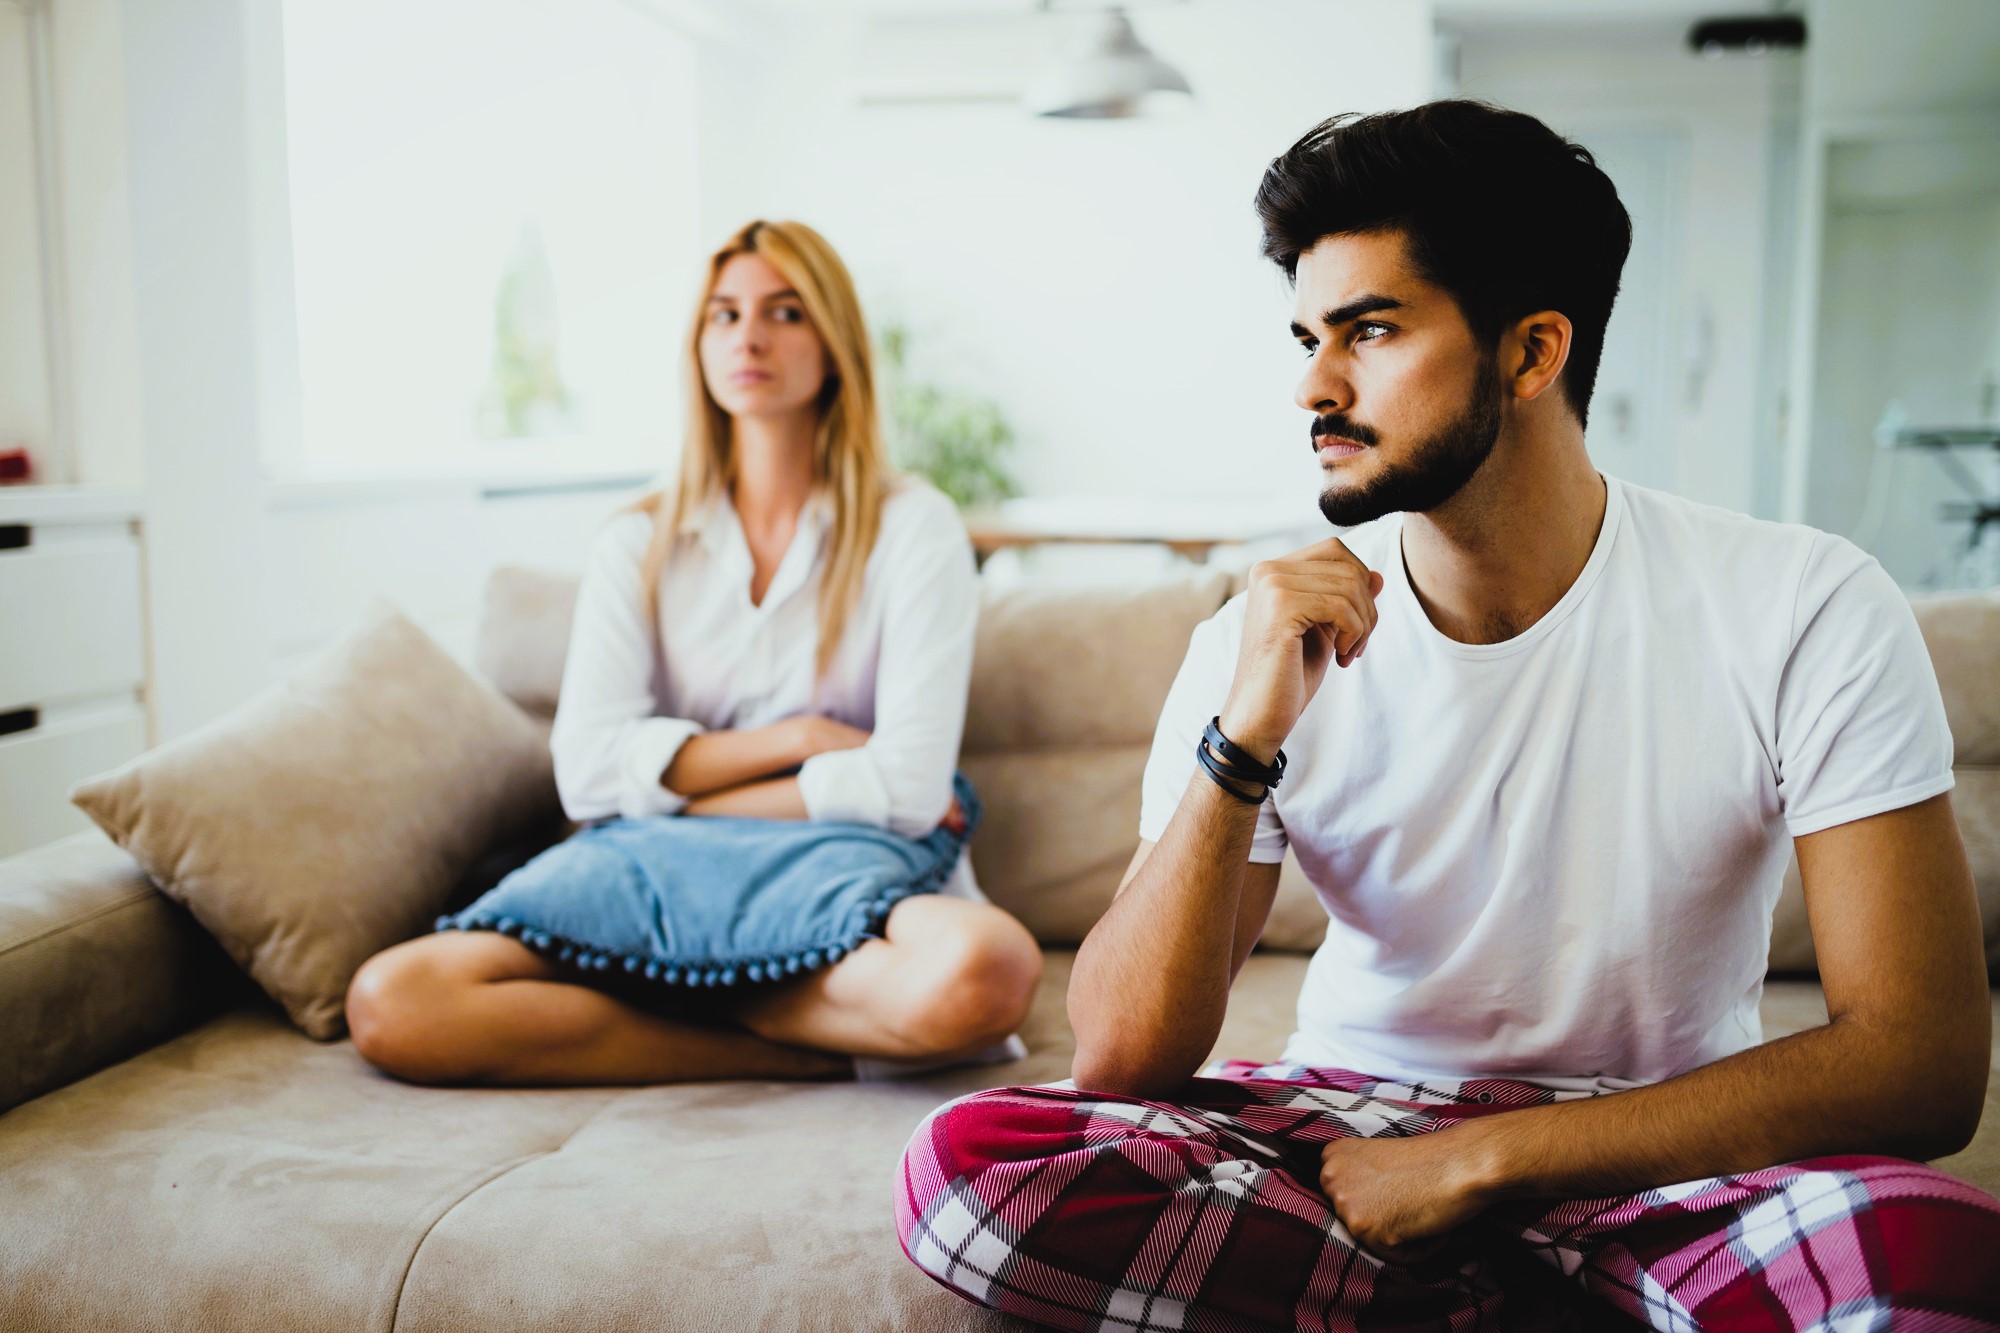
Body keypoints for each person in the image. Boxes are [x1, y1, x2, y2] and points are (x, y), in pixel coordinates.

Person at [896, 102, 2000, 1330]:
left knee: (1933, 1252)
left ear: (1529, 354)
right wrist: (1241, 735)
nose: (1315, 384)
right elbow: (1116, 1058)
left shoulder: (1801, 601)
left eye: (1369, 331)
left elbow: (1919, 1060)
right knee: (976, 1166)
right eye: (1309, 336)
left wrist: (1480, 1163)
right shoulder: (1250, 641)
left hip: (1663, 1142)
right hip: (1348, 1130)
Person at [347, 220, 1040, 1086]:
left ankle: (672, 1000)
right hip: (649, 874)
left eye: (785, 312)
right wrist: (806, 739)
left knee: (988, 969)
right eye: (723, 314)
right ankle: (783, 1049)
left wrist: (675, 792)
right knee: (392, 997)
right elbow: (587, 780)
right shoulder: (636, 540)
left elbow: (905, 790)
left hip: (832, 868)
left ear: (835, 346)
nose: (749, 335)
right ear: (699, 346)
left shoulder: (913, 526)